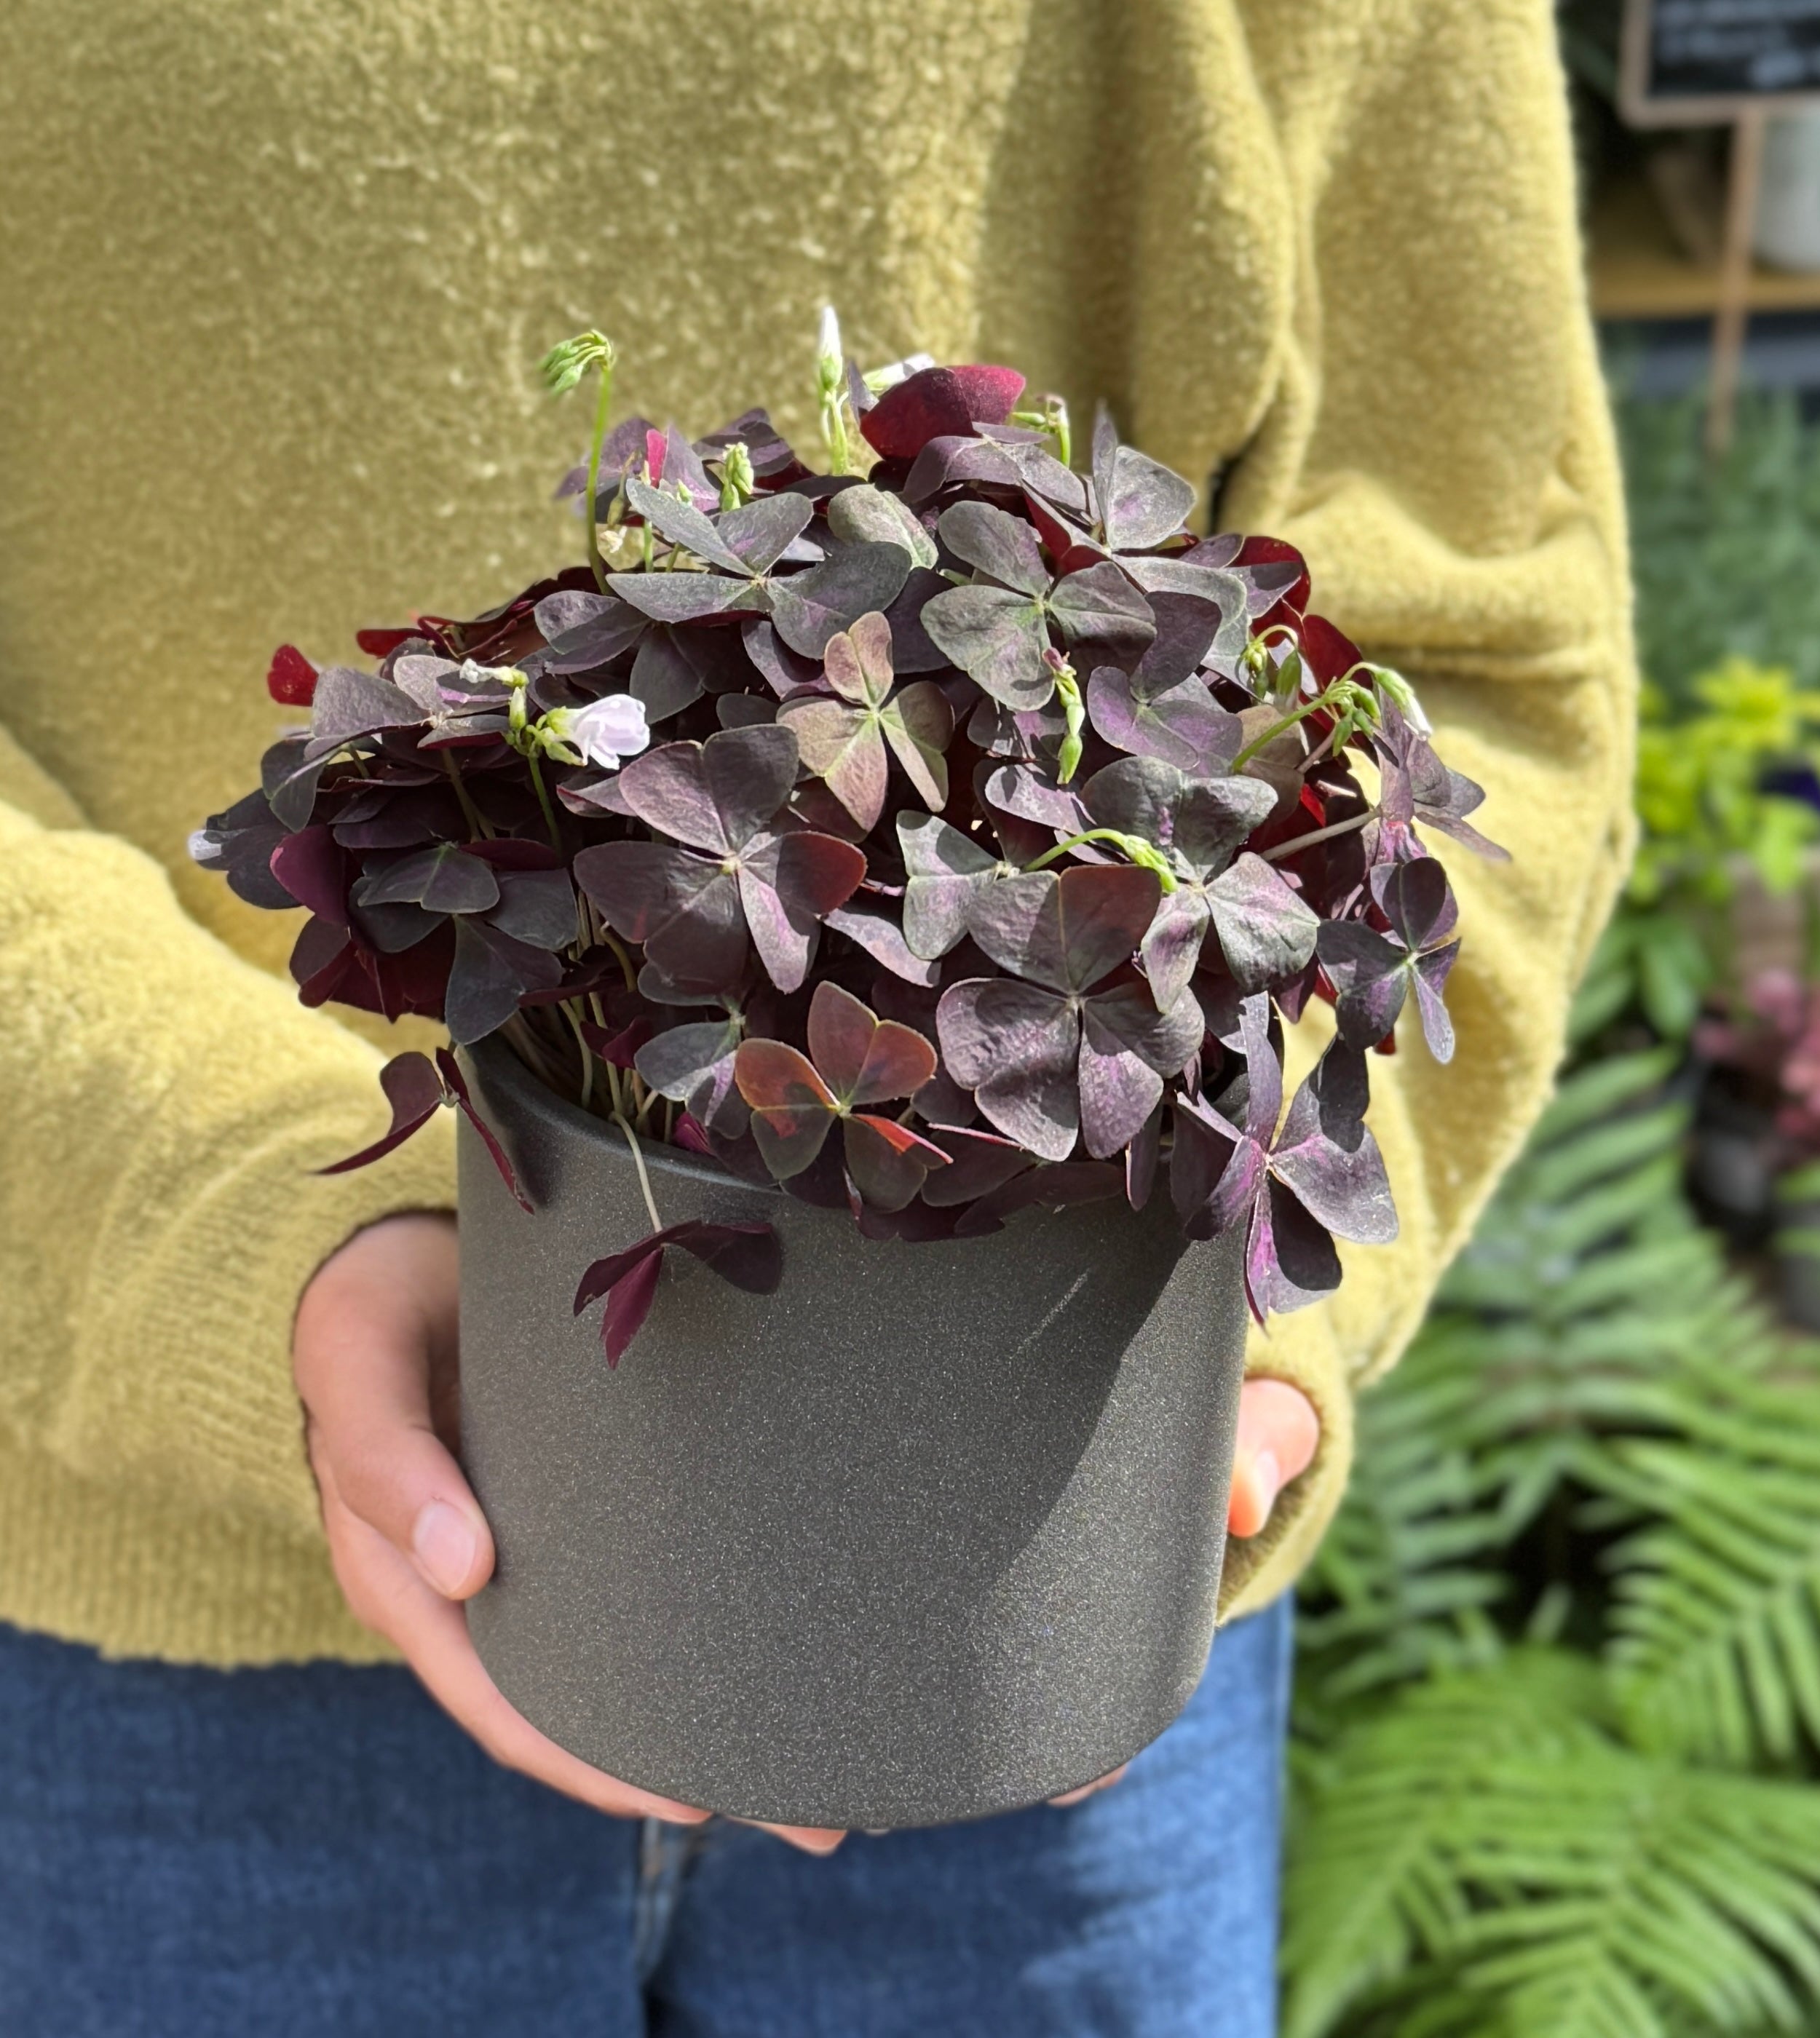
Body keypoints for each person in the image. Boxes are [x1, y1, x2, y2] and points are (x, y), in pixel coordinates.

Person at [0, 1, 1635, 2031]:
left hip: (1040, 1576)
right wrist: (208, 1206)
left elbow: (1462, 639)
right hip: (140, 1671)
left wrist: (1249, 1289)